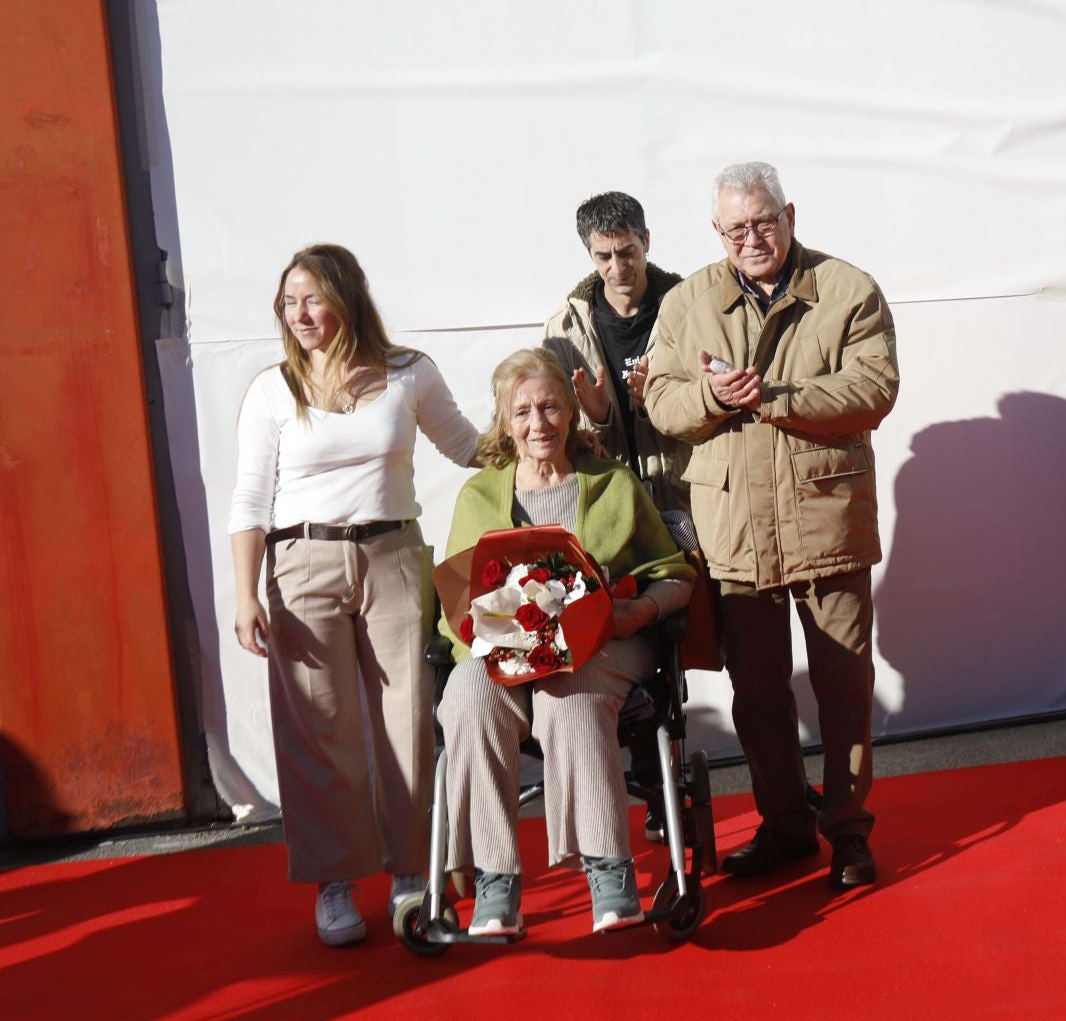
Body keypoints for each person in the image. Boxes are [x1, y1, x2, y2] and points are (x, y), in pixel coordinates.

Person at [645, 160, 899, 891]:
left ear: (790, 214)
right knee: (757, 694)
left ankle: (848, 830)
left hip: (829, 521)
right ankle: (786, 826)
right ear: (717, 232)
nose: (752, 238)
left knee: (845, 687)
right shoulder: (688, 300)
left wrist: (773, 397)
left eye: (764, 222)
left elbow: (874, 388)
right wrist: (712, 396)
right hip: (736, 529)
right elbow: (663, 402)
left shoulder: (848, 288)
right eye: (736, 229)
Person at [228, 243, 480, 946]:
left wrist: (546, 421)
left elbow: (466, 446)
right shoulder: (272, 390)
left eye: (312, 298)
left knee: (405, 720)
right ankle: (335, 880)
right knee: (320, 729)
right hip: (301, 563)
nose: (300, 314)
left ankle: (408, 870)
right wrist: (245, 594)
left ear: (346, 297)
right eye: (289, 302)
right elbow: (249, 499)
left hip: (393, 553)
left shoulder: (409, 374)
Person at [437, 349, 694, 937]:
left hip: (604, 641)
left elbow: (677, 576)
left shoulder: (612, 485)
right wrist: (491, 633)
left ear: (572, 413)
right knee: (468, 694)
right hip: (506, 648)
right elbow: (455, 604)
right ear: (504, 421)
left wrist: (639, 610)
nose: (538, 423)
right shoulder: (479, 495)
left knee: (569, 688)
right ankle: (494, 879)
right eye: (522, 410)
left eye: (551, 406)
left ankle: (609, 869)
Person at [544, 191, 690, 517]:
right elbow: (556, 430)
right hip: (606, 503)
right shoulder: (563, 329)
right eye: (604, 257)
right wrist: (598, 418)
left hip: (686, 497)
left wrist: (660, 402)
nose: (618, 267)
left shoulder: (690, 309)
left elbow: (712, 405)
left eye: (627, 252)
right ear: (589, 254)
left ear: (646, 241)